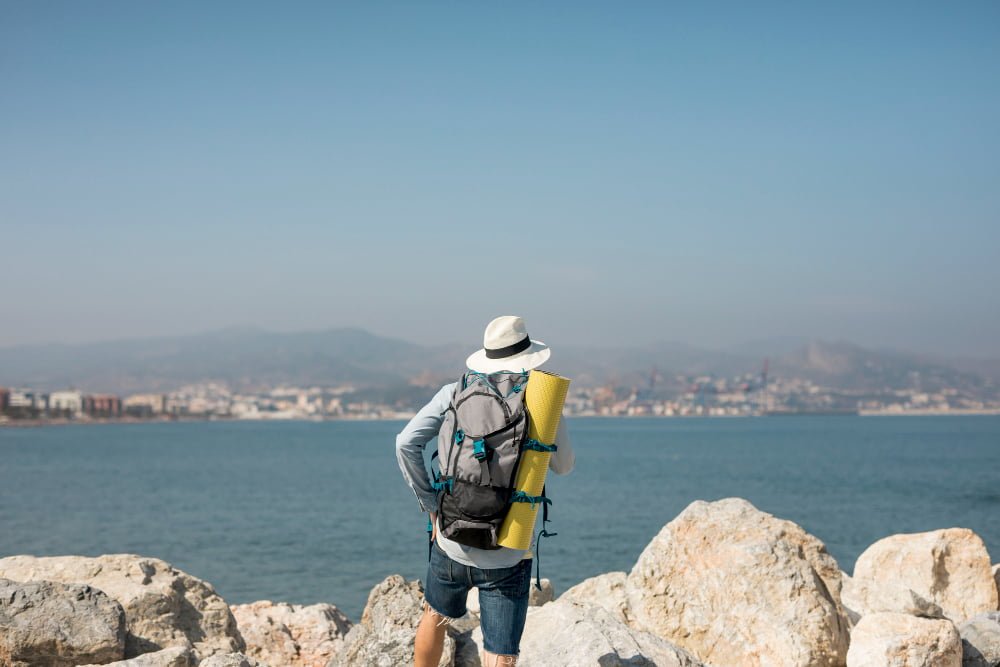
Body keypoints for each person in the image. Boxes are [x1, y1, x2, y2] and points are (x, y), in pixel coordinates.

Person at [395, 315, 575, 667]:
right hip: (509, 549)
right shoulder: (541, 403)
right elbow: (564, 465)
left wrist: (431, 505)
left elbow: (405, 443)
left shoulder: (455, 392)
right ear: (529, 357)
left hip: (450, 538)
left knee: (434, 616)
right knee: (501, 652)